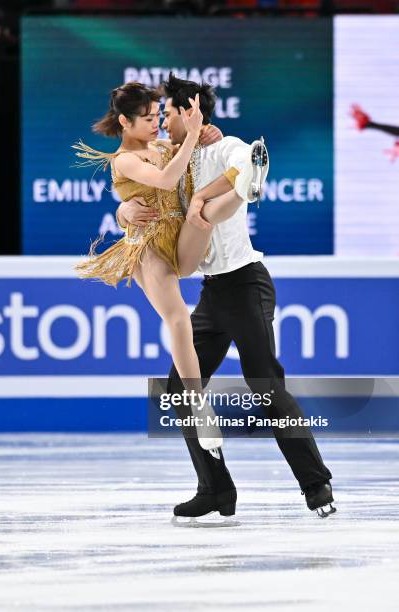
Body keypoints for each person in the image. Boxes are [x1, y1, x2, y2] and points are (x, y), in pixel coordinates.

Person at [116, 73, 336, 524]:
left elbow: (246, 162)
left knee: (264, 383)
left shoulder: (224, 145)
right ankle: (216, 489)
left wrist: (225, 179)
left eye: (168, 114)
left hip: (246, 281)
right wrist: (123, 208)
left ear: (190, 113)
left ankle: (316, 484)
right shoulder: (169, 157)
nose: (162, 123)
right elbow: (133, 177)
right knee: (178, 388)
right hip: (212, 292)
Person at [74, 81, 266, 454]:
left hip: (180, 240)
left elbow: (190, 156)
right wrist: (123, 210)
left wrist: (209, 132)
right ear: (125, 122)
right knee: (179, 317)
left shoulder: (163, 147)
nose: (156, 124)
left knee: (203, 214)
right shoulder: (124, 160)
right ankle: (198, 406)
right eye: (147, 118)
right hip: (149, 248)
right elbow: (166, 179)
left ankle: (245, 188)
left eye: (157, 116)